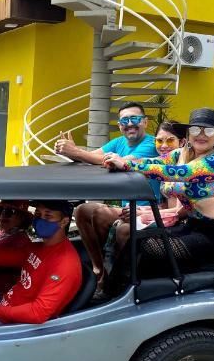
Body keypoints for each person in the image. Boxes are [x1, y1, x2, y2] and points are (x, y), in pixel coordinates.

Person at [103, 108, 214, 276]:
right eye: (196, 129)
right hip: (191, 227)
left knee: (146, 249)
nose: (201, 135)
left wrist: (127, 165)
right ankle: (111, 289)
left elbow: (176, 173)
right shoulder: (182, 154)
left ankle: (118, 291)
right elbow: (155, 161)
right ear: (188, 134)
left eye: (209, 130)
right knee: (135, 241)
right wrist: (121, 160)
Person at [55, 102, 158, 284]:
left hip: (151, 211)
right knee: (82, 211)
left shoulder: (151, 144)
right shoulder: (119, 142)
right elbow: (91, 157)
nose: (129, 124)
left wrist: (76, 151)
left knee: (107, 219)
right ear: (119, 125)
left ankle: (113, 277)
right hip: (128, 209)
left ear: (145, 122)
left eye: (134, 118)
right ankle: (99, 269)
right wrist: (70, 151)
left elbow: (120, 162)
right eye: (124, 120)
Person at [103, 120, 187, 277]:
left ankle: (124, 279)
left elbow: (179, 212)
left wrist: (142, 214)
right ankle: (105, 273)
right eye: (159, 140)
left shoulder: (187, 167)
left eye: (170, 140)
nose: (163, 145)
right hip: (167, 215)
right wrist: (123, 162)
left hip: (182, 223)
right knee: (105, 218)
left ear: (182, 142)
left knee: (124, 229)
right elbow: (149, 163)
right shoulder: (169, 161)